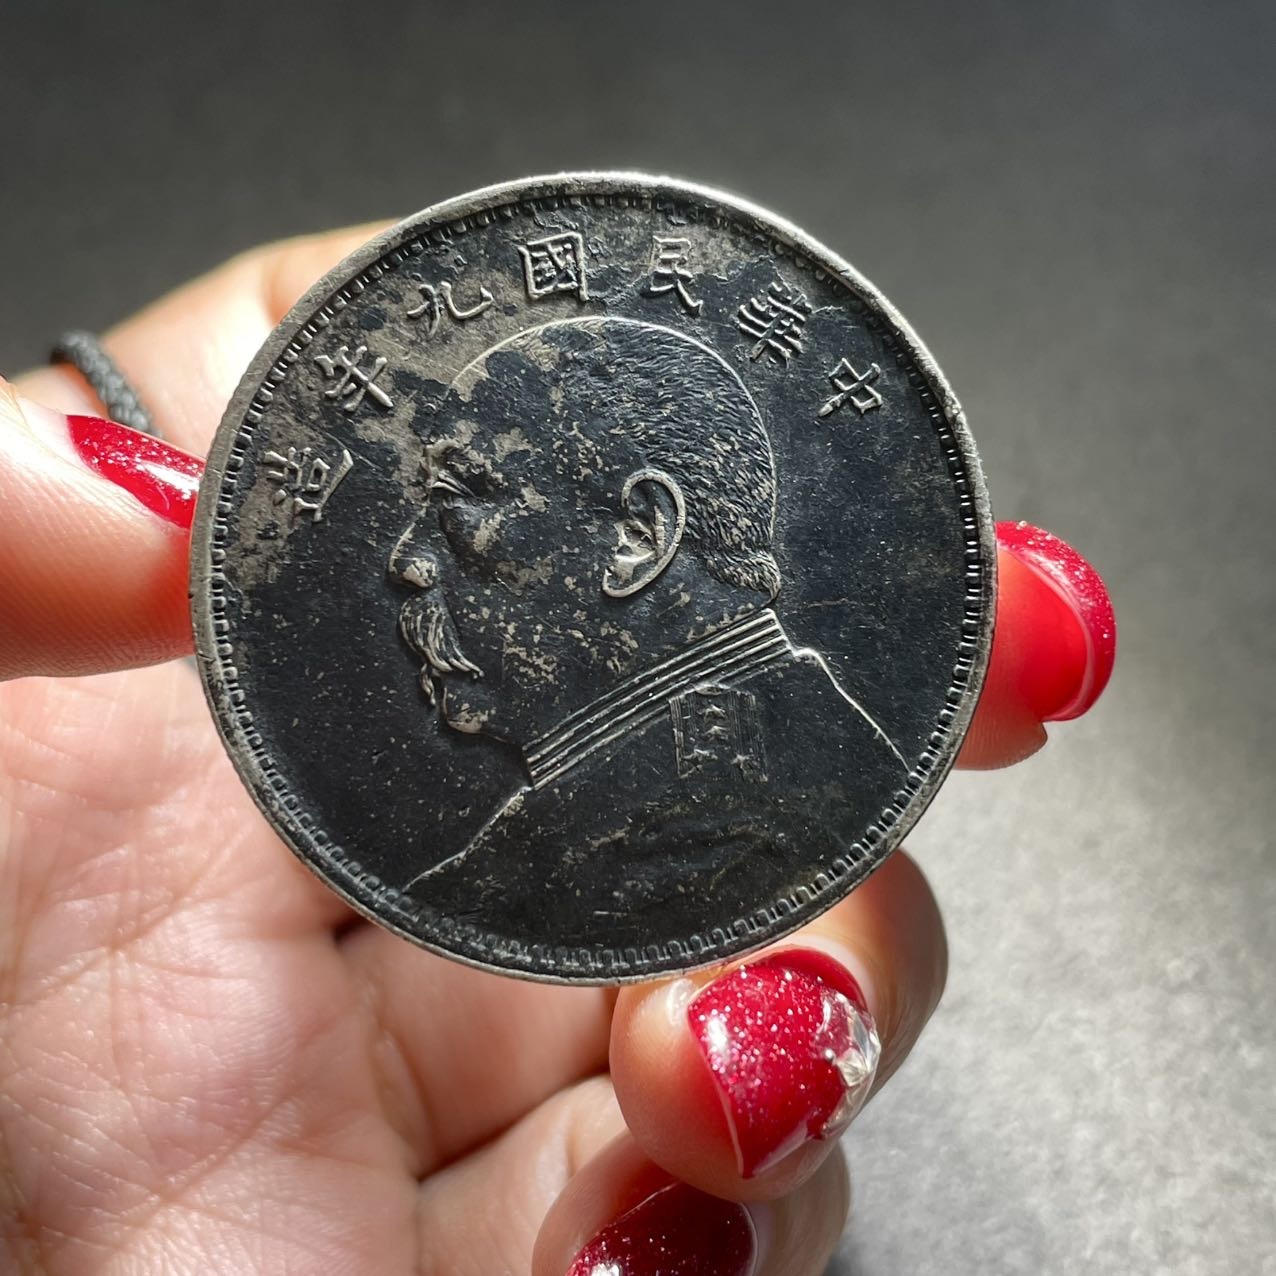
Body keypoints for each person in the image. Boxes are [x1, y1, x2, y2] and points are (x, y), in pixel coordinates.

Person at [0, 225, 1115, 1275]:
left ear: (639, 535)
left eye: (462, 502)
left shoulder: (740, 819)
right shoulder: (696, 805)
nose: (407, 560)